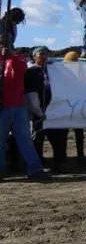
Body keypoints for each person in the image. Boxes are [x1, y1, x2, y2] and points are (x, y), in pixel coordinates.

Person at [0, 45, 50, 180]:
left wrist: (10, 56)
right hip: (3, 106)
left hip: (18, 105)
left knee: (25, 139)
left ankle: (34, 169)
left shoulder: (17, 59)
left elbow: (22, 68)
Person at [24, 47, 69, 173]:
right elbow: (30, 94)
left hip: (54, 111)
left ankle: (59, 163)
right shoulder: (30, 72)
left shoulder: (53, 70)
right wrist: (38, 111)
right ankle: (38, 165)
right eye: (41, 54)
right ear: (34, 57)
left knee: (58, 138)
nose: (44, 56)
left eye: (46, 54)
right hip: (38, 113)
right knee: (37, 140)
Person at [62, 51, 86, 164]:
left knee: (76, 133)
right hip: (69, 106)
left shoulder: (79, 74)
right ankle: (67, 156)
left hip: (74, 107)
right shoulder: (61, 73)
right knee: (68, 133)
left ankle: (79, 156)